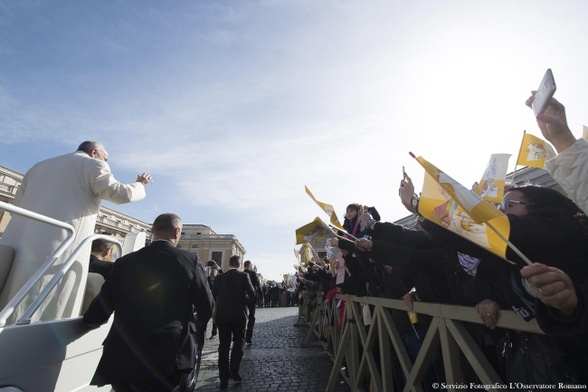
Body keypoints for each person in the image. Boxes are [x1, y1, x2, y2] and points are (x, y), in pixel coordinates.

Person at [0, 140, 152, 323]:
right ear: (94, 152)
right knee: (42, 304)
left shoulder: (39, 166)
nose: (107, 162)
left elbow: (17, 203)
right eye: (106, 158)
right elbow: (120, 194)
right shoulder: (93, 164)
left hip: (17, 241)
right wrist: (140, 185)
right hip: (56, 245)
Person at [83, 213, 214, 392]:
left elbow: (100, 310)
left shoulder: (123, 263)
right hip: (168, 358)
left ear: (152, 232)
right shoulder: (189, 261)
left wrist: (85, 323)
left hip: (124, 356)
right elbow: (206, 307)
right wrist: (195, 333)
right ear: (177, 233)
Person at [212, 255, 255, 389]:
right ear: (239, 264)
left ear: (229, 264)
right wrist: (245, 302)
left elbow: (213, 295)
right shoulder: (244, 277)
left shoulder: (219, 278)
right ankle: (234, 371)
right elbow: (252, 294)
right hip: (238, 315)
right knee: (238, 343)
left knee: (223, 346)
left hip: (222, 316)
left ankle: (223, 378)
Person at [243, 259, 261, 344]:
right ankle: (248, 337)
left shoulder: (241, 273)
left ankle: (241, 335)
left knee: (243, 316)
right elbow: (258, 285)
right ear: (250, 266)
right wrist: (261, 297)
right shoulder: (253, 273)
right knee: (251, 317)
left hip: (242, 298)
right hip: (252, 298)